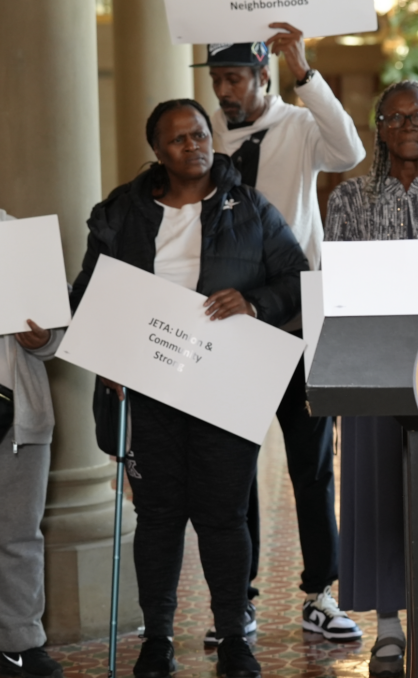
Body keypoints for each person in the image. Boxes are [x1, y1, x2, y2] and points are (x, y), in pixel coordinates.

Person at [70, 99, 307, 678]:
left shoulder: (249, 207)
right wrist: (107, 355)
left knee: (224, 517)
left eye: (200, 134)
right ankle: (157, 640)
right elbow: (87, 295)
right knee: (157, 518)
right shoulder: (120, 213)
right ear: (156, 150)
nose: (194, 145)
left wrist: (254, 303)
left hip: (221, 388)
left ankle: (234, 638)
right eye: (178, 139)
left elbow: (298, 277)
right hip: (147, 391)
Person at [192, 24, 367, 642]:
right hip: (227, 326)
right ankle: (236, 600)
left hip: (295, 320)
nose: (224, 91)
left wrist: (305, 74)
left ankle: (321, 594)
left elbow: (348, 152)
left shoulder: (298, 123)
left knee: (312, 469)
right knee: (232, 472)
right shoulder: (204, 136)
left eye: (234, 79)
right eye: (217, 80)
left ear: (262, 75)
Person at [323, 79, 418, 677]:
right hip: (372, 364)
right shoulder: (349, 198)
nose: (408, 126)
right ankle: (389, 626)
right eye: (394, 118)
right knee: (375, 491)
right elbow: (337, 286)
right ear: (377, 128)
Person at [0, 207, 66, 678]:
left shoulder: (19, 239)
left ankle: (20, 644)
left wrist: (42, 338)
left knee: (19, 537)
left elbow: (57, 333)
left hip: (17, 417)